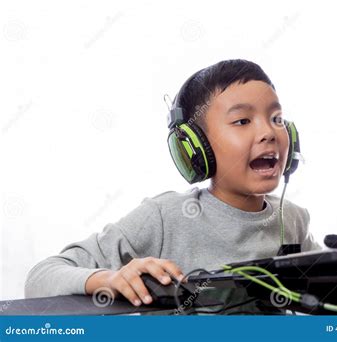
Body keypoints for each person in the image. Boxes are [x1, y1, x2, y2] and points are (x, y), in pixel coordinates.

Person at [25, 59, 320, 312]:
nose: (268, 132)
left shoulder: (292, 219)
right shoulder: (165, 218)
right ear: (195, 148)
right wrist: (106, 279)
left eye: (276, 118)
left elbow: (334, 289)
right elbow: (41, 278)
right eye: (242, 121)